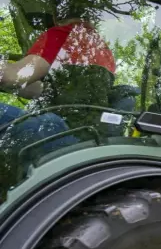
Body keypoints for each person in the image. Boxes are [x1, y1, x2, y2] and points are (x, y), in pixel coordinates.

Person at [0, 17, 116, 151]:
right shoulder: (104, 51)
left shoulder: (64, 34)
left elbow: (15, 76)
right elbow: (43, 90)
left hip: (56, 129)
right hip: (86, 139)